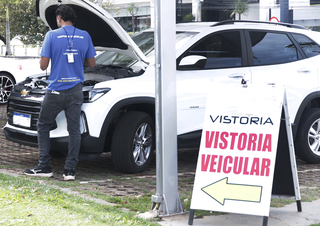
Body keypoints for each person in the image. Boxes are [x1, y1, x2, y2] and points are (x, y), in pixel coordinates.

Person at [24, 5, 96, 180]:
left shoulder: (51, 35)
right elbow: (92, 64)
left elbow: (43, 65)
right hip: (76, 90)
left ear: (59, 18)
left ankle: (44, 166)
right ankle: (70, 170)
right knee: (74, 130)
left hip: (56, 91)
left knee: (43, 125)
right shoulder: (84, 35)